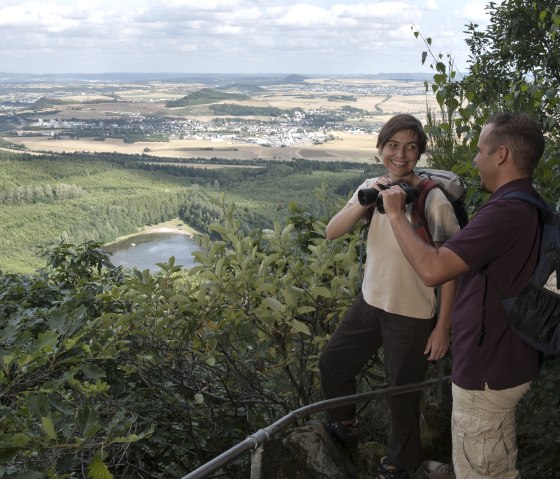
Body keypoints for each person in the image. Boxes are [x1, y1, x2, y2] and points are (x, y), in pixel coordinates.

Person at [380, 112, 543, 478]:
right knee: (492, 460)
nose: (475, 159)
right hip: (511, 359)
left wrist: (395, 216)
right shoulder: (530, 203)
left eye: (480, 150)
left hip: (487, 374)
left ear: (501, 155)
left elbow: (433, 269)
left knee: (482, 469)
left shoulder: (503, 213)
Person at [319, 113, 460, 479]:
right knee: (334, 361)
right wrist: (369, 199)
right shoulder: (371, 186)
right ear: (380, 149)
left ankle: (401, 463)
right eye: (393, 146)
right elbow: (332, 231)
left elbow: (450, 269)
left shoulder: (433, 201)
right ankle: (344, 425)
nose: (401, 155)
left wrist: (442, 327)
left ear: (419, 153)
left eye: (411, 147)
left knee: (402, 392)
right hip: (371, 301)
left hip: (412, 312)